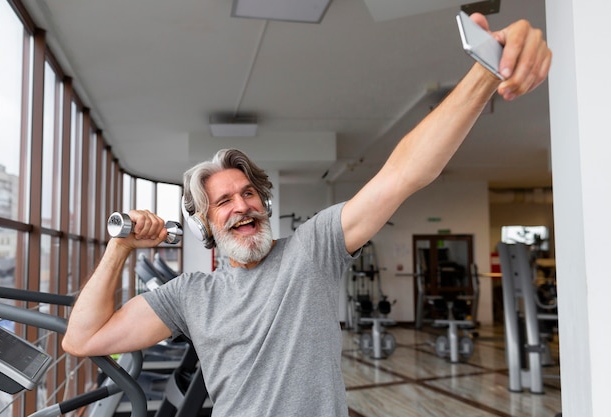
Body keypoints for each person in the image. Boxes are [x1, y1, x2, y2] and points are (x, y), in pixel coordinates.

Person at [62, 13, 552, 417]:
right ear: (205, 224)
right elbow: (83, 339)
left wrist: (485, 73)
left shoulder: (313, 249)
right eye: (224, 202)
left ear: (264, 203)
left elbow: (402, 174)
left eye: (248, 193)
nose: (241, 207)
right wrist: (120, 245)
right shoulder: (190, 295)